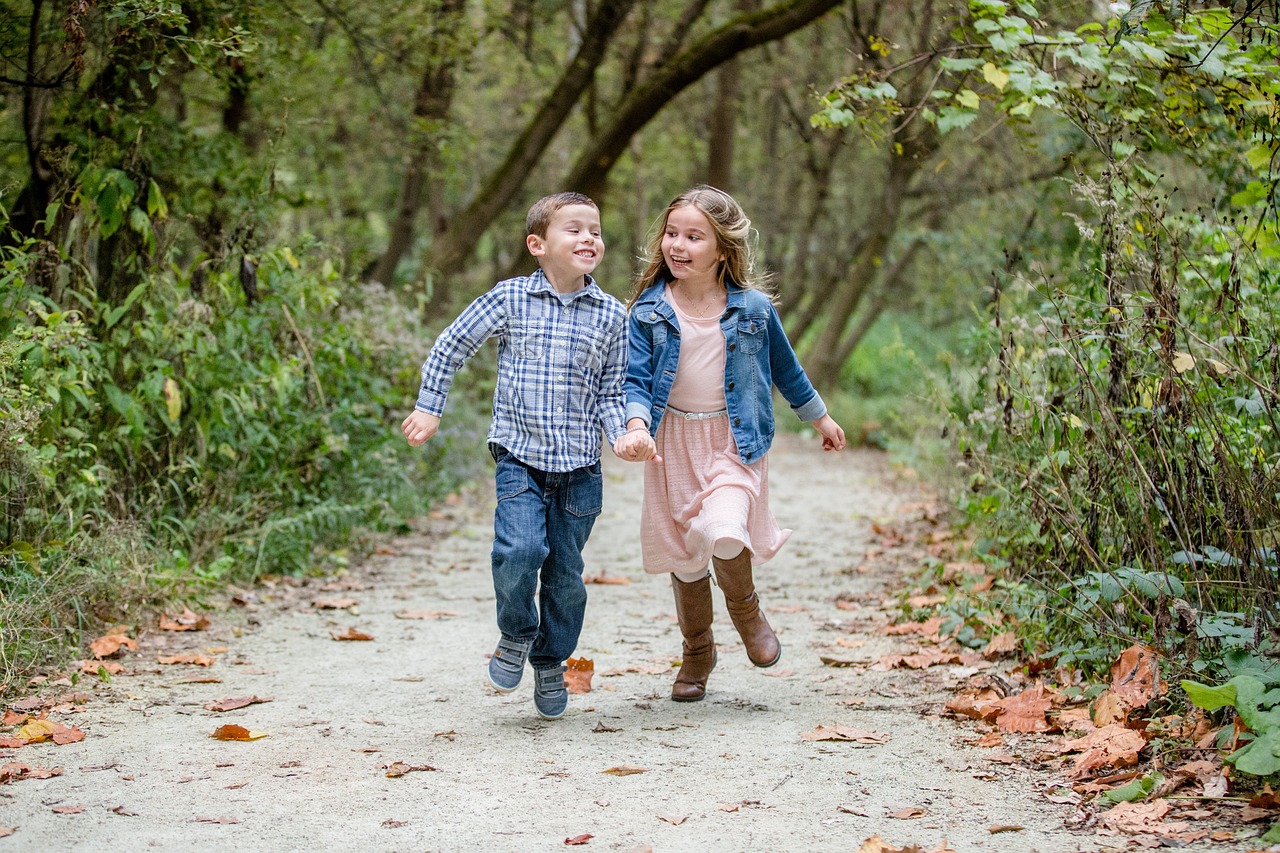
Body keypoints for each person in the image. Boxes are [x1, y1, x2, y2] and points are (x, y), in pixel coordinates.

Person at [402, 191, 648, 720]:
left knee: (565, 575)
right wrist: (429, 408)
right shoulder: (510, 299)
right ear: (537, 244)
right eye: (574, 229)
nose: (589, 238)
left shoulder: (610, 315)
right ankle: (514, 633)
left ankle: (549, 660)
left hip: (581, 470)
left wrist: (625, 432)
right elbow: (450, 345)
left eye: (595, 230)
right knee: (518, 552)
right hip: (520, 458)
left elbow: (611, 391)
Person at [615, 185, 846, 703]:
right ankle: (698, 650)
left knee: (725, 529)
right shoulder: (649, 311)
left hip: (733, 440)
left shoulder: (755, 310)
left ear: (722, 249)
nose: (678, 244)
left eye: (693, 236)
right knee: (685, 557)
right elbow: (633, 379)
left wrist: (821, 418)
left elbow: (786, 371)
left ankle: (746, 612)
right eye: (672, 233)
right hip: (671, 441)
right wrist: (634, 425)